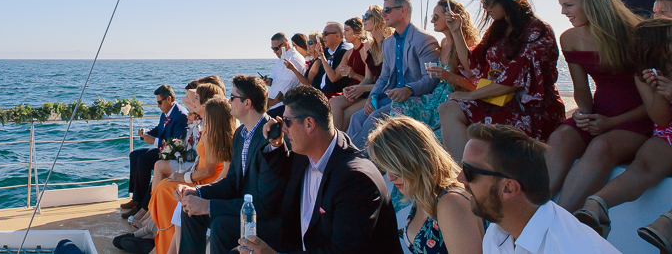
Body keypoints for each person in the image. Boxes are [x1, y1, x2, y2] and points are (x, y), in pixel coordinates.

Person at [239, 85, 401, 254]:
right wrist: (277, 144)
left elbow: (342, 251)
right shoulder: (308, 153)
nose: (283, 129)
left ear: (309, 124)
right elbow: (283, 175)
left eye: (287, 122)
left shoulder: (355, 179)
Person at [545, 0, 648, 212]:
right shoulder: (569, 38)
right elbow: (581, 89)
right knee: (560, 138)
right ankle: (535, 212)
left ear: (591, 3)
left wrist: (611, 123)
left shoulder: (636, 36)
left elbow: (655, 102)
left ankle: (560, 220)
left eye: (569, 5)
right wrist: (584, 113)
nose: (563, 12)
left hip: (638, 118)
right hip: (599, 114)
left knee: (601, 146)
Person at [438, 0, 566, 161]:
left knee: (491, 127)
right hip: (497, 100)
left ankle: (478, 173)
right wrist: (456, 32)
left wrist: (471, 95)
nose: (484, 7)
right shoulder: (496, 30)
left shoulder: (537, 29)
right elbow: (473, 66)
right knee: (447, 108)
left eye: (487, 0)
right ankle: (465, 173)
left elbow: (515, 80)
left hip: (528, 106)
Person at [572, 17, 672, 239]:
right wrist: (658, 91)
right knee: (643, 166)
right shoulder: (645, 75)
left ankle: (667, 223)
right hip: (668, 134)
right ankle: (597, 203)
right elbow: (662, 119)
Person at [459, 123, 618, 253]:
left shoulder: (570, 249)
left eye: (470, 172)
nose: (460, 178)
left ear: (509, 188)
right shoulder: (497, 234)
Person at [177, 75, 284, 254]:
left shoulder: (270, 137)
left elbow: (265, 205)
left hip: (265, 217)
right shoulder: (241, 134)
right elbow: (231, 181)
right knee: (189, 209)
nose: (229, 100)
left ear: (247, 103)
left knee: (221, 225)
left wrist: (208, 206)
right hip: (242, 208)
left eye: (233, 97)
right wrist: (197, 192)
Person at [367, 116, 484, 254]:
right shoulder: (424, 197)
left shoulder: (451, 202)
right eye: (386, 169)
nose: (390, 177)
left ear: (416, 160)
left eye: (395, 169)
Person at [140, 95, 235, 254]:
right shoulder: (211, 133)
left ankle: (157, 239)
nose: (203, 118)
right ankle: (157, 237)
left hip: (211, 186)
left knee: (177, 200)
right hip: (205, 183)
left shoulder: (224, 139)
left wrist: (197, 189)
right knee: (173, 195)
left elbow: (218, 176)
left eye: (208, 116)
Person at [347, 0, 440, 149]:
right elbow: (384, 77)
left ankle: (353, 160)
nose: (383, 14)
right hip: (390, 97)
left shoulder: (424, 40)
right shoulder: (389, 43)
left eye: (387, 10)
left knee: (375, 118)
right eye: (383, 11)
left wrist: (409, 89)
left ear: (403, 10)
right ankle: (349, 157)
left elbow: (430, 79)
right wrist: (372, 96)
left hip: (415, 98)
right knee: (356, 118)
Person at [392, 0, 481, 141]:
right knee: (400, 104)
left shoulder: (468, 45)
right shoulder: (443, 43)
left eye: (436, 17)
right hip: (436, 96)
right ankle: (400, 149)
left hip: (454, 97)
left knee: (434, 135)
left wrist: (448, 76)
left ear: (451, 17)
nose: (432, 20)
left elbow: (475, 84)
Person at [122, 85, 188, 217]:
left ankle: (141, 204)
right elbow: (159, 130)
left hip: (172, 154)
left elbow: (177, 144)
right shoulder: (166, 113)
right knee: (134, 155)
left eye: (159, 102)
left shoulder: (181, 115)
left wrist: (154, 141)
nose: (158, 105)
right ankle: (136, 198)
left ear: (168, 99)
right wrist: (145, 132)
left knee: (143, 159)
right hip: (163, 149)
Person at [332, 6, 389, 131]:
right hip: (368, 89)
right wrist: (355, 89)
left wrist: (362, 88)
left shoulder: (389, 44)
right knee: (333, 102)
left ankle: (339, 145)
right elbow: (368, 78)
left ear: (378, 19)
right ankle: (334, 144)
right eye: (363, 17)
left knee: (349, 115)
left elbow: (389, 82)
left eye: (367, 17)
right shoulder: (370, 46)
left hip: (381, 92)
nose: (363, 20)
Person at [266, 34, 304, 115]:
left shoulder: (294, 59)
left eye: (276, 48)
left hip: (284, 106)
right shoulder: (280, 59)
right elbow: (274, 78)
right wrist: (268, 81)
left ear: (285, 45)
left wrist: (273, 101)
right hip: (275, 106)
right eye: (273, 49)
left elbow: (287, 88)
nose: (274, 51)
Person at [318, 21, 354, 98]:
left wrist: (321, 56)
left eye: (326, 34)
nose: (323, 37)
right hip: (324, 92)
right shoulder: (328, 51)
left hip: (335, 94)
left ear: (337, 36)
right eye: (322, 34)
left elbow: (333, 78)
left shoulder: (343, 51)